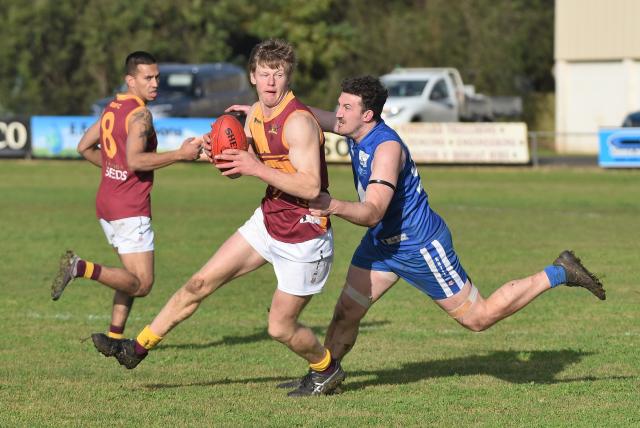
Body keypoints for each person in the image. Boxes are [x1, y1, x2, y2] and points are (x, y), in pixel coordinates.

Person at [279, 75, 606, 392]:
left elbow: (373, 212)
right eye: (339, 105)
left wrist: (332, 205)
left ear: (367, 115)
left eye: (346, 107)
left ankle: (560, 272)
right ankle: (323, 375)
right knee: (346, 312)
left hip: (418, 245)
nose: (337, 113)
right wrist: (271, 104)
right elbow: (303, 115)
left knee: (478, 318)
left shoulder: (386, 148)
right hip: (381, 245)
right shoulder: (352, 127)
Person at [91, 39, 345, 397]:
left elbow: (310, 185)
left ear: (289, 78)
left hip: (304, 236)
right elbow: (244, 161)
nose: (271, 82)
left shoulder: (299, 122)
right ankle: (137, 348)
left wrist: (254, 167)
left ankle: (326, 368)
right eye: (264, 74)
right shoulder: (255, 114)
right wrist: (222, 152)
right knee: (199, 283)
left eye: (279, 74)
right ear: (252, 76)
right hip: (268, 221)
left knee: (280, 327)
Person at [51, 51, 203, 342]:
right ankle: (81, 267)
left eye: (157, 77)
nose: (155, 83)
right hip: (129, 207)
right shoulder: (140, 114)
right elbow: (135, 160)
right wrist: (179, 154)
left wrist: (113, 167)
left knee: (130, 277)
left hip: (107, 203)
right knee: (143, 284)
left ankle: (114, 337)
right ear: (130, 80)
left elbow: (84, 147)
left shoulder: (113, 107)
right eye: (148, 78)